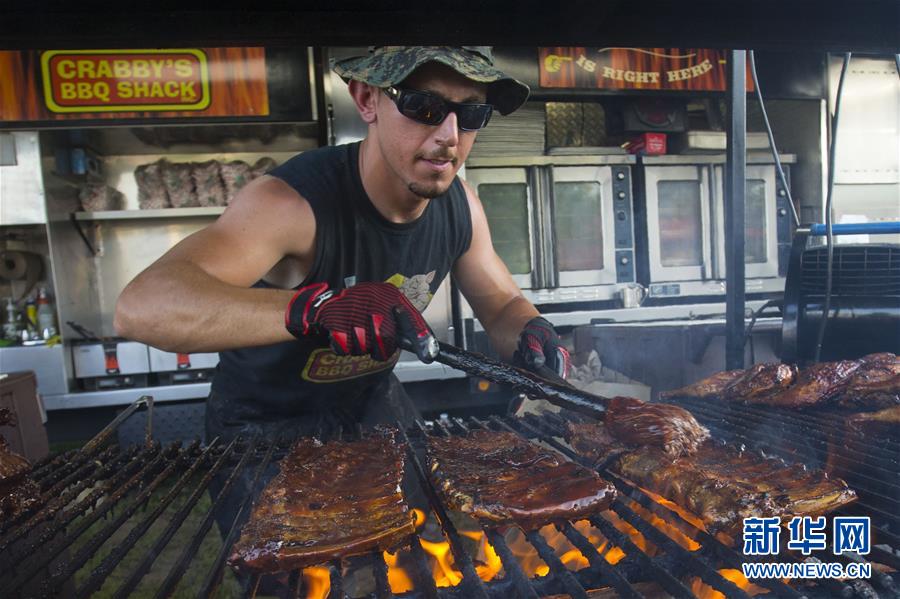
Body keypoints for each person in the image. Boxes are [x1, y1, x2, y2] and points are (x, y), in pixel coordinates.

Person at [114, 47, 571, 551]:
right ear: (367, 99)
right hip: (266, 423)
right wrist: (317, 308)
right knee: (299, 573)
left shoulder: (461, 204)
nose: (449, 136)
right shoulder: (290, 203)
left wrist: (531, 333)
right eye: (424, 106)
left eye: (471, 114)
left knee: (424, 551)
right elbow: (142, 305)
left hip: (371, 403)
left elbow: (503, 304)